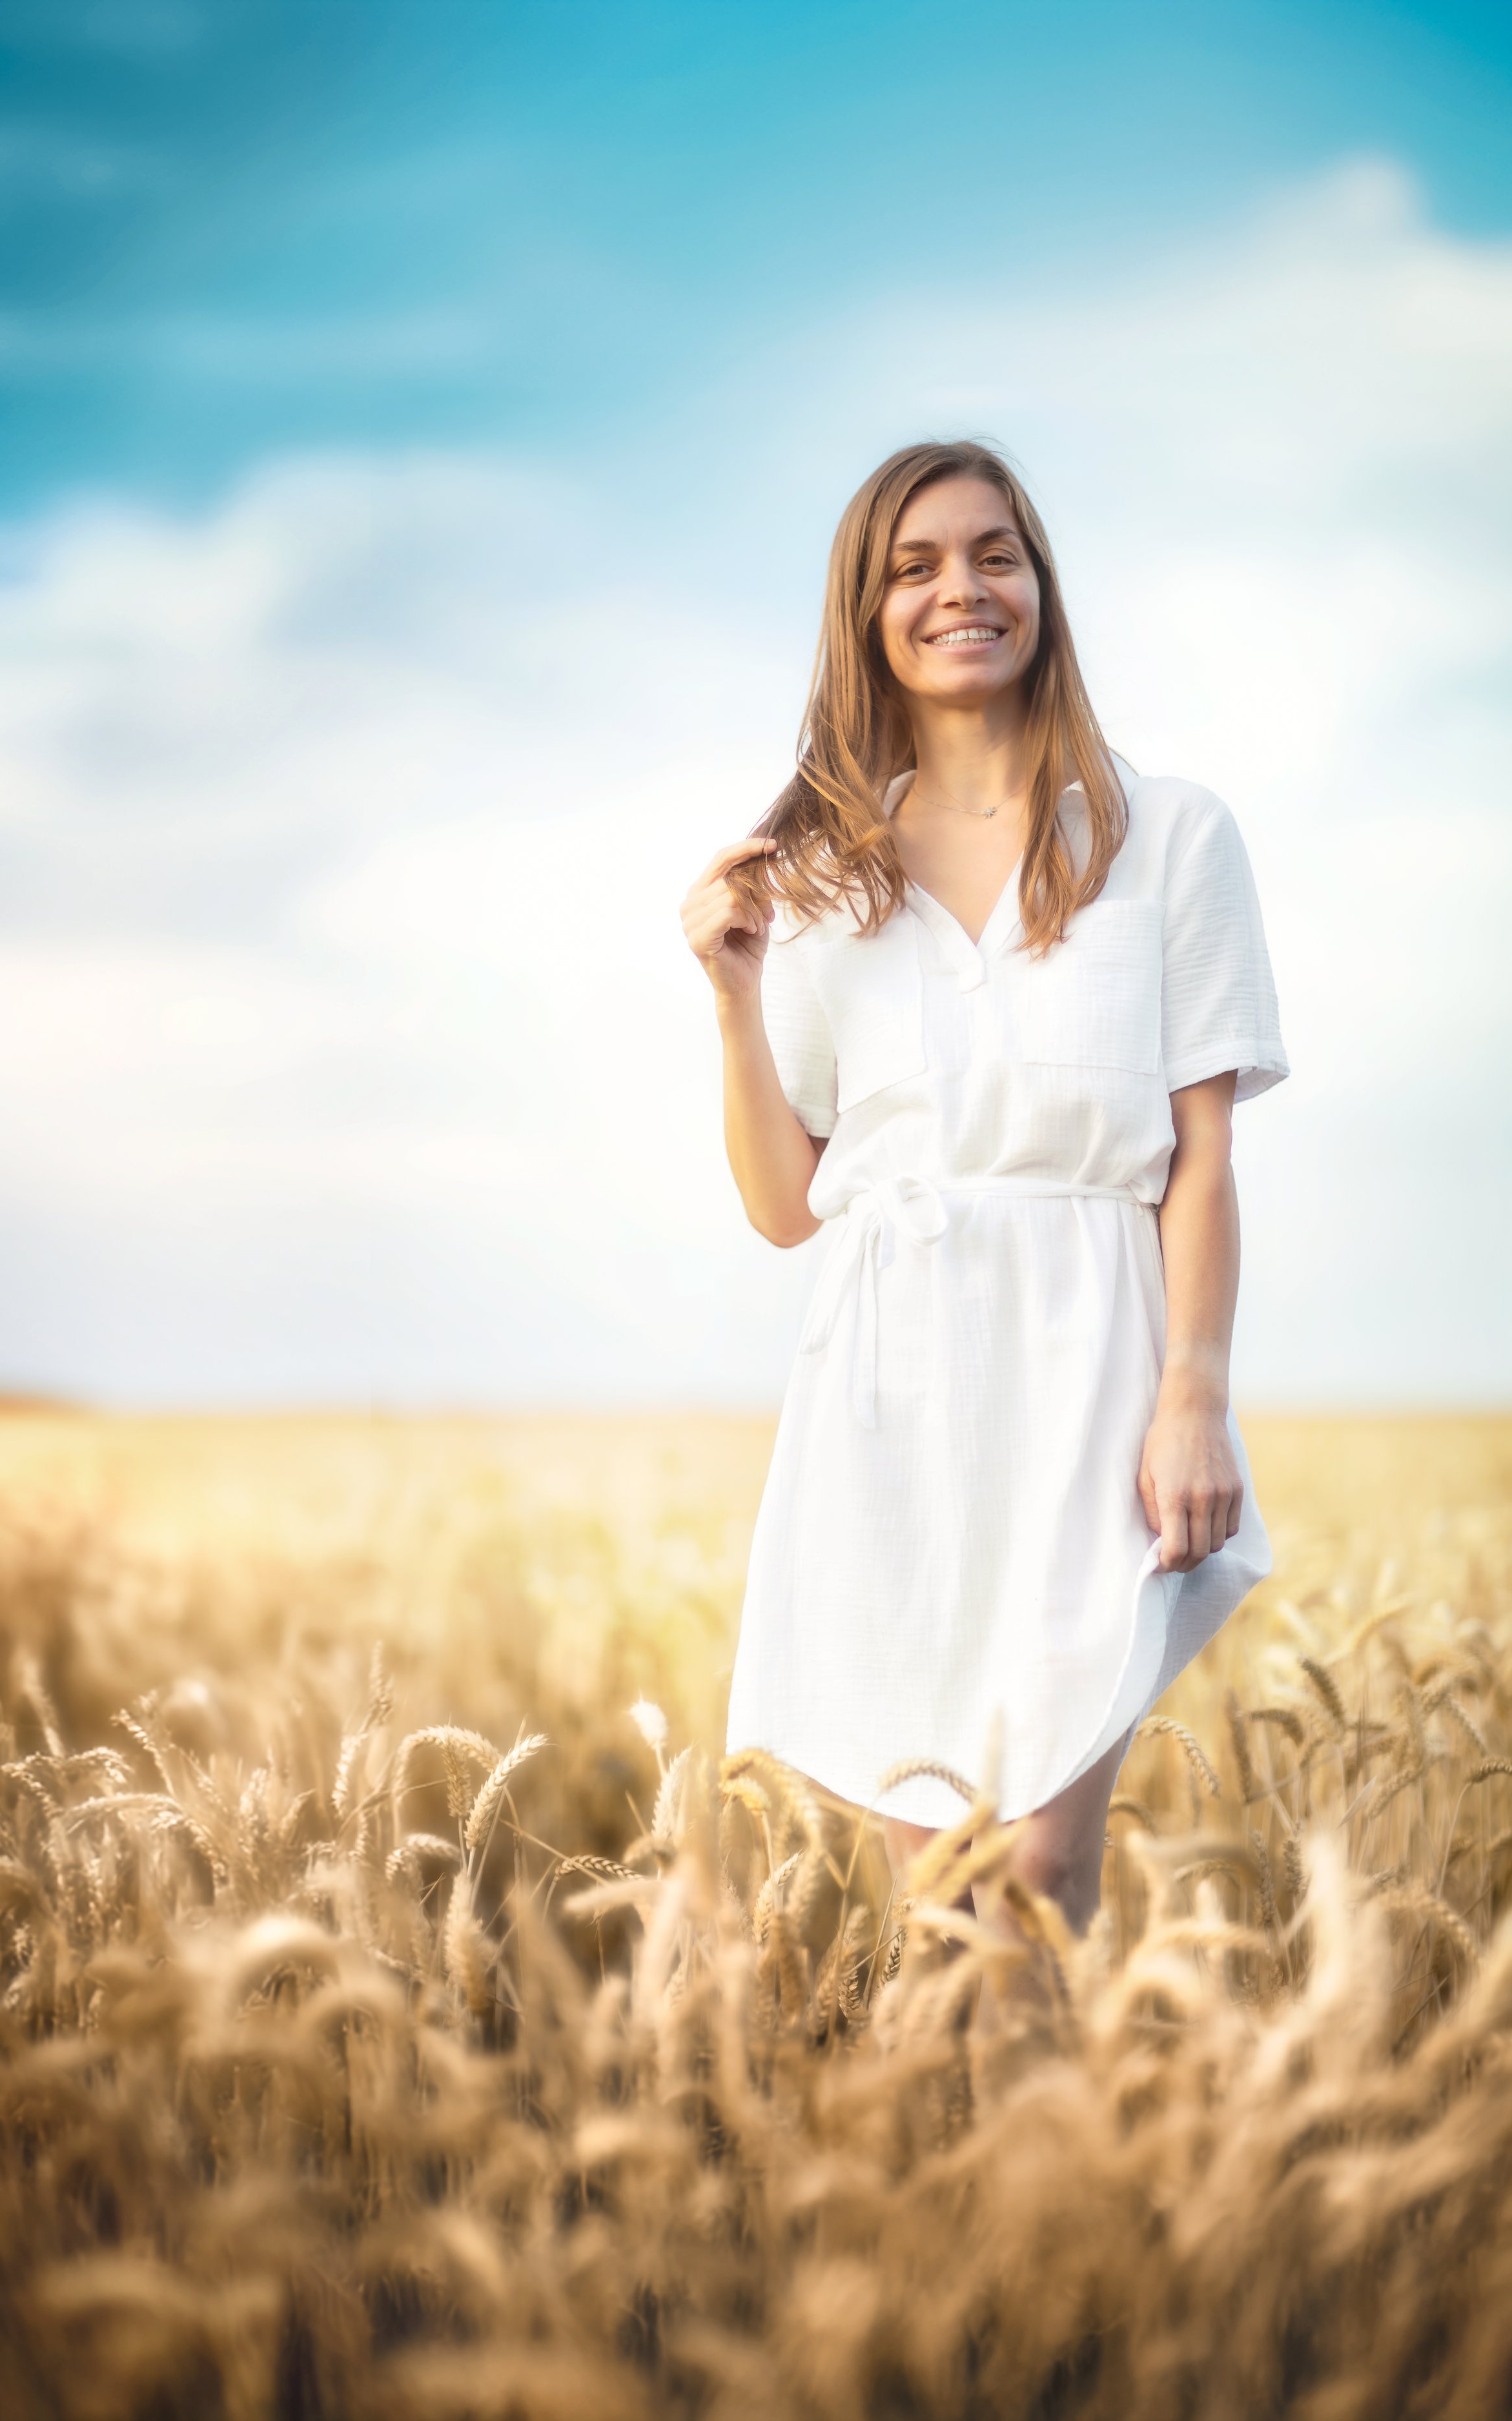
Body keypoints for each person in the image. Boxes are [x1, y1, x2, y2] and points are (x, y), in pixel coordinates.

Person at [679, 440, 1287, 1939]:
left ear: (1039, 588)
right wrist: (730, 992)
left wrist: (1192, 1393)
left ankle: (1048, 2172)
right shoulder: (823, 878)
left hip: (1093, 1370)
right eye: (917, 565)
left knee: (1034, 1871)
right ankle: (959, 2177)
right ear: (866, 613)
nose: (963, 588)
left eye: (995, 554)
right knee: (939, 1898)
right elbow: (782, 1204)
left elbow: (1199, 1156)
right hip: (886, 1389)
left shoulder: (1165, 834)